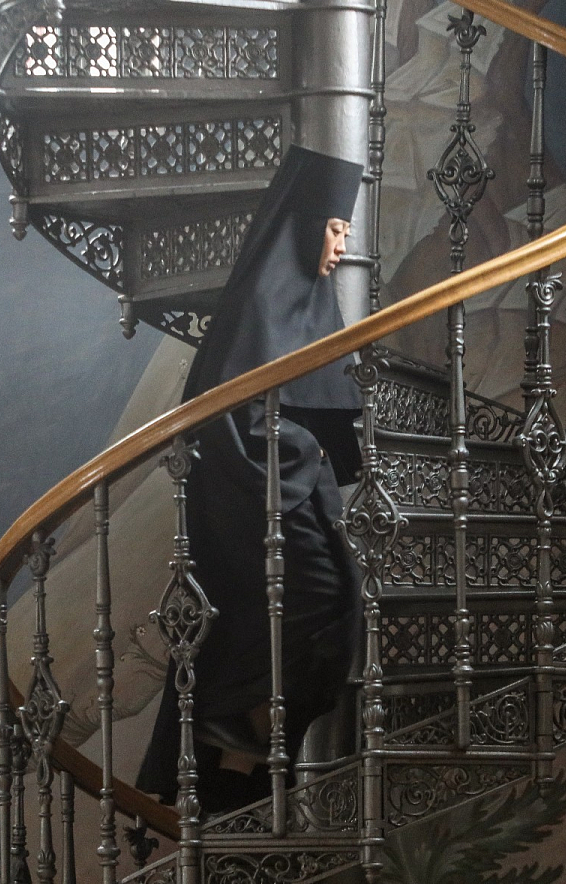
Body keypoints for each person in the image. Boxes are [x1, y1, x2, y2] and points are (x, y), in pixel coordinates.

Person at [136, 145, 366, 813]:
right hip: (256, 501)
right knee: (311, 604)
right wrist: (303, 452)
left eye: (347, 232)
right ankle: (236, 748)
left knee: (336, 613)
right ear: (304, 227)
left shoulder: (306, 305)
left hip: (294, 493)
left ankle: (248, 755)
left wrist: (309, 451)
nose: (341, 247)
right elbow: (229, 423)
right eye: (335, 229)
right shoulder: (259, 308)